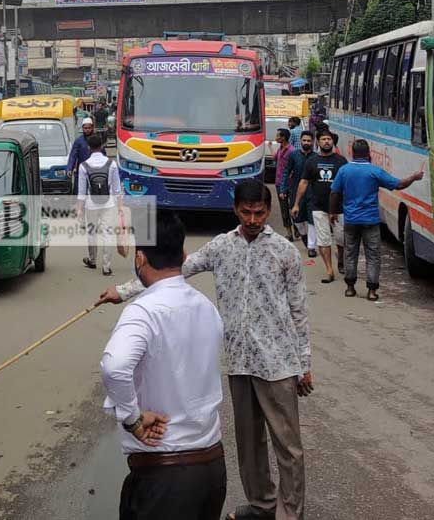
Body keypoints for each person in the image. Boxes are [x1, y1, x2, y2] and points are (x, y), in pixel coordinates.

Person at [99, 179, 312, 520]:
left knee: (288, 447)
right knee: (249, 443)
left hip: (279, 363)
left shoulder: (285, 251)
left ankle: (291, 513)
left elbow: (299, 310)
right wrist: (123, 291)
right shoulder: (221, 246)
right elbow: (171, 268)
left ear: (269, 211)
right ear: (235, 210)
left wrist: (304, 362)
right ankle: (262, 505)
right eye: (246, 212)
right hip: (240, 361)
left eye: (260, 213)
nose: (253, 219)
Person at [101, 210, 227, 520]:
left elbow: (114, 366)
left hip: (165, 476)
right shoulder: (206, 307)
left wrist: (132, 419)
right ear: (184, 255)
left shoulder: (143, 311)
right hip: (211, 467)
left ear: (140, 258)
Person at [329, 139, 424, 301]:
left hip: (351, 220)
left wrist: (332, 213)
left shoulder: (344, 170)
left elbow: (334, 193)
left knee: (350, 253)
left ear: (352, 152)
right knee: (373, 255)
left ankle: (350, 288)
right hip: (370, 221)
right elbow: (398, 185)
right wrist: (414, 177)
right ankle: (372, 291)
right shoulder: (375, 172)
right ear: (369, 154)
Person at [292, 131, 347, 283]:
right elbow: (303, 183)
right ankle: (329, 270)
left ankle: (341, 259)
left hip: (339, 208)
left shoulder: (341, 161)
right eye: (323, 139)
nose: (326, 142)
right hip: (318, 206)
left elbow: (347, 183)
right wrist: (296, 204)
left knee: (341, 238)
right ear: (318, 142)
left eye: (329, 139)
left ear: (333, 142)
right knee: (323, 241)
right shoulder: (312, 162)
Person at [77, 134, 122, 276]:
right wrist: (120, 207)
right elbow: (117, 189)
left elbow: (81, 192)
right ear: (102, 146)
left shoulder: (83, 166)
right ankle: (106, 266)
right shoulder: (112, 164)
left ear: (89, 147)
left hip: (91, 204)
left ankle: (92, 260)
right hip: (108, 203)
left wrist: (79, 210)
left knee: (91, 232)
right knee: (107, 233)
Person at [280, 131, 316, 256]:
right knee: (297, 219)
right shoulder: (294, 155)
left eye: (309, 140)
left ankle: (311, 247)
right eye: (304, 140)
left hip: (312, 193)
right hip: (295, 192)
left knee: (312, 219)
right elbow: (286, 172)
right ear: (300, 141)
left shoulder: (316, 157)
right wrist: (283, 189)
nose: (306, 143)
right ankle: (304, 236)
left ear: (313, 142)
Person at [272, 128, 295, 241]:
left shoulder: (291, 151)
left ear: (283, 138)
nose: (276, 137)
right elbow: (275, 158)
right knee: (284, 209)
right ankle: (289, 233)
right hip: (279, 183)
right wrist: (271, 147)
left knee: (293, 207)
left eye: (278, 135)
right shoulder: (280, 149)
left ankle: (296, 229)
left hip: (289, 184)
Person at [67, 117, 96, 185]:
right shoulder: (78, 141)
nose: (87, 130)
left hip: (95, 171)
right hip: (81, 171)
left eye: (89, 128)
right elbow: (73, 156)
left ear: (92, 128)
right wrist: (69, 168)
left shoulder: (96, 139)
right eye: (85, 128)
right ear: (82, 128)